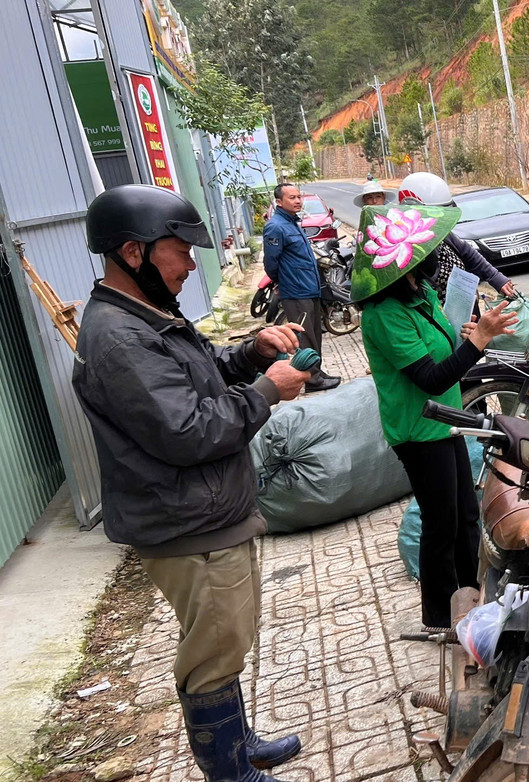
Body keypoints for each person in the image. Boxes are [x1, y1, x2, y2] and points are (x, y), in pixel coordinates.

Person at [72, 185, 310, 780]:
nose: (189, 264)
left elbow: (201, 371)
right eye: (180, 250)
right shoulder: (118, 339)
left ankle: (241, 742)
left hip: (207, 514)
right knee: (214, 648)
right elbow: (187, 430)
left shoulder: (148, 315)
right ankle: (228, 769)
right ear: (134, 252)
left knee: (227, 639)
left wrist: (252, 354)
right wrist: (265, 391)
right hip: (186, 525)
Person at [355, 206, 518, 629]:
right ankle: (440, 616)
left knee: (466, 514)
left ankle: (470, 598)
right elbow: (429, 376)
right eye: (426, 252)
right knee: (441, 523)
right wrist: (478, 341)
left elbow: (444, 346)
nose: (437, 257)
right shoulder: (384, 314)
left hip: (447, 420)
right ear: (405, 261)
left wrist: (468, 333)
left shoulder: (420, 293)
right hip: (417, 432)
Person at [262, 182, 341, 391]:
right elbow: (271, 263)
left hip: (309, 289)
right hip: (296, 291)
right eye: (292, 197)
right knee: (305, 337)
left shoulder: (292, 223)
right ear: (279, 202)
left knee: (315, 334)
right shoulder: (275, 227)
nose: (298, 201)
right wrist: (282, 282)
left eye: (299, 197)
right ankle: (312, 380)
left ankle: (317, 372)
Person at [394, 172, 517, 302]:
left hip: (467, 311)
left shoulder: (442, 233)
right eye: (437, 214)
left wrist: (496, 278)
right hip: (439, 317)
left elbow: (469, 254)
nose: (442, 220)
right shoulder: (403, 249)